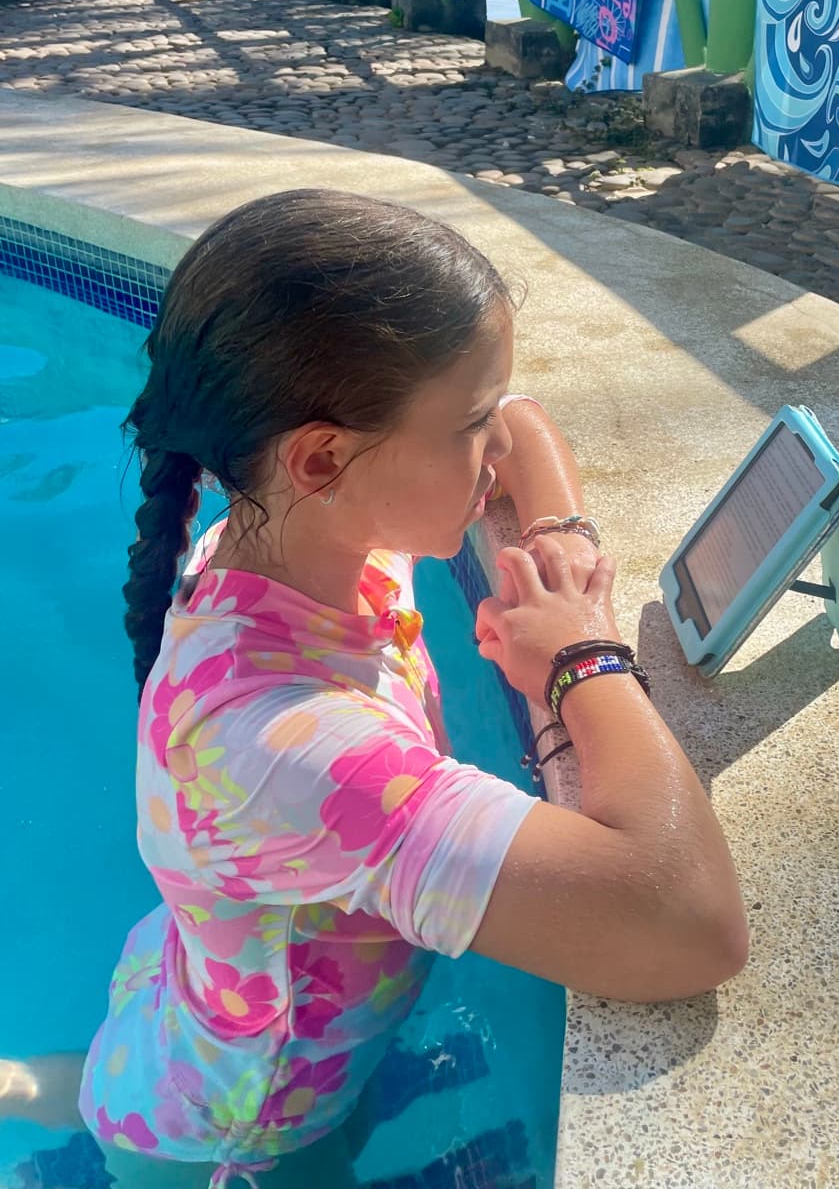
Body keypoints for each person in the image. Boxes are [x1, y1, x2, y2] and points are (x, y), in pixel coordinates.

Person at [79, 188, 747, 1187]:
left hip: (202, 1008)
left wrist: (559, 546)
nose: (492, 459)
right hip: (236, 1135)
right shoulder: (287, 748)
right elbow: (689, 923)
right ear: (322, 457)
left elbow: (521, 426)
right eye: (463, 426)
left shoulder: (310, 548)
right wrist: (584, 656)